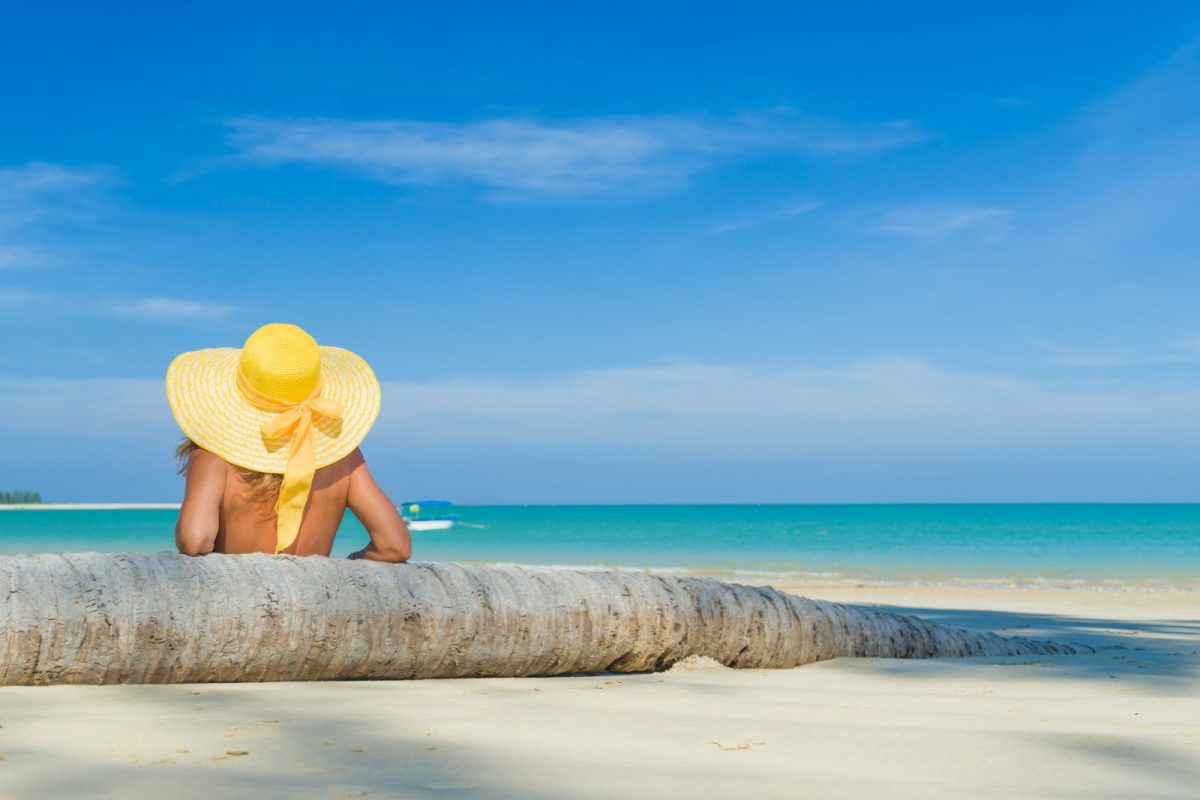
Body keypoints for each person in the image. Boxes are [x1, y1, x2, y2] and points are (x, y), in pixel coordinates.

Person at [166, 322, 410, 562]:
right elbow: (395, 546)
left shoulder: (213, 457)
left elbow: (195, 540)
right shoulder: (344, 459)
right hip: (312, 599)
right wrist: (352, 561)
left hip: (241, 599)